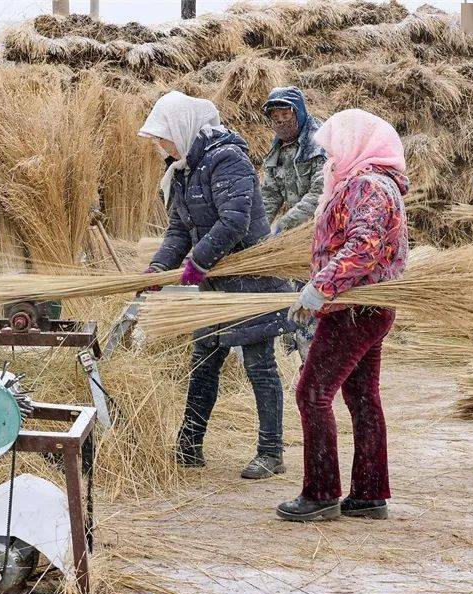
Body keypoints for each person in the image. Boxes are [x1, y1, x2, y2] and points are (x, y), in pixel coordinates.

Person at [139, 91, 294, 480]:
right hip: (216, 283)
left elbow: (235, 221)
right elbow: (179, 228)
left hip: (252, 279)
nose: (160, 144)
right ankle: (190, 444)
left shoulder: (226, 158)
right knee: (205, 361)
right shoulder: (183, 169)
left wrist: (195, 264)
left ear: (182, 128)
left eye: (163, 136)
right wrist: (159, 270)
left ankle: (271, 452)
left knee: (260, 364)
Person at [276, 109, 409, 522]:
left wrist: (320, 287)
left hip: (354, 307)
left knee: (311, 393)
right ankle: (369, 494)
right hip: (364, 306)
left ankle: (321, 493)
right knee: (361, 396)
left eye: (335, 146)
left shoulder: (368, 185)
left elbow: (364, 246)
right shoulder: (368, 183)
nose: (330, 155)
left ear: (356, 143)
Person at [260, 86, 326, 361]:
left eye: (285, 113)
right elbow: (270, 194)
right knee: (290, 292)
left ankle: (313, 360)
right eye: (274, 115)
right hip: (294, 238)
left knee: (312, 295)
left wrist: (284, 224)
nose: (280, 120)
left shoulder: (319, 143)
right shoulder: (278, 150)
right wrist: (260, 231)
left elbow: (320, 192)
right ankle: (294, 353)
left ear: (298, 112)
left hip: (323, 230)